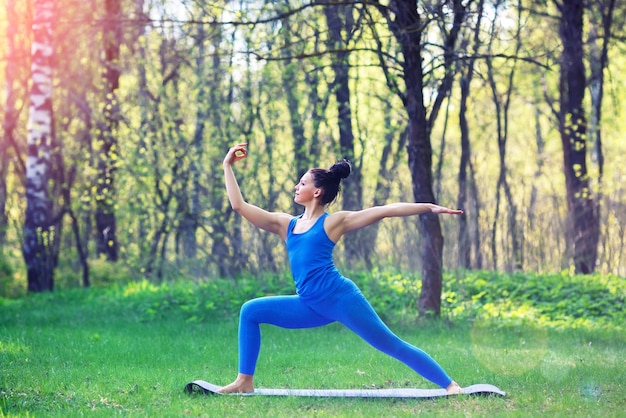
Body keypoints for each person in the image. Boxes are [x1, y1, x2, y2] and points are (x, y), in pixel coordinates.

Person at [220, 142, 464, 395]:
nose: (296, 186)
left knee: (390, 344)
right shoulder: (286, 225)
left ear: (317, 192)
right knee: (250, 311)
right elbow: (240, 206)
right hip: (308, 304)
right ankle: (244, 381)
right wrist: (227, 165)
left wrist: (429, 207)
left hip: (340, 298)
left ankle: (450, 384)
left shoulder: (333, 222)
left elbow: (384, 211)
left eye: (302, 183)